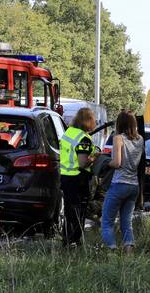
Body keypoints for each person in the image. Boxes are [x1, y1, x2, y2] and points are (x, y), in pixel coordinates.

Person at [102, 111, 144, 252]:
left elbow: (117, 163)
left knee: (107, 222)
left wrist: (105, 162)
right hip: (134, 186)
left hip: (119, 184)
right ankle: (129, 254)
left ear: (120, 123)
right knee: (127, 222)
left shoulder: (118, 138)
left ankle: (112, 252)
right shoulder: (140, 139)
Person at [60, 107, 96, 247]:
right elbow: (82, 163)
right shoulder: (83, 139)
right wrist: (94, 158)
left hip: (66, 176)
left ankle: (67, 239)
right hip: (78, 178)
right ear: (88, 121)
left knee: (69, 211)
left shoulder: (69, 132)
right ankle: (74, 241)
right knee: (78, 211)